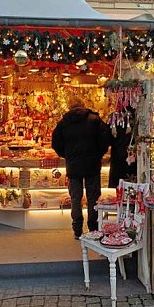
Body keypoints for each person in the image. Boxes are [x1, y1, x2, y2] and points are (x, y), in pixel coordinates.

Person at [52, 97, 111, 239]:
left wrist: (67, 155)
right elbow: (105, 139)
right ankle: (93, 227)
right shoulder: (95, 120)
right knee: (93, 197)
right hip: (92, 164)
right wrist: (98, 154)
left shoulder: (64, 123)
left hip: (73, 165)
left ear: (70, 106)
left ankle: (77, 229)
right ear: (83, 105)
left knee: (75, 198)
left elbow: (56, 143)